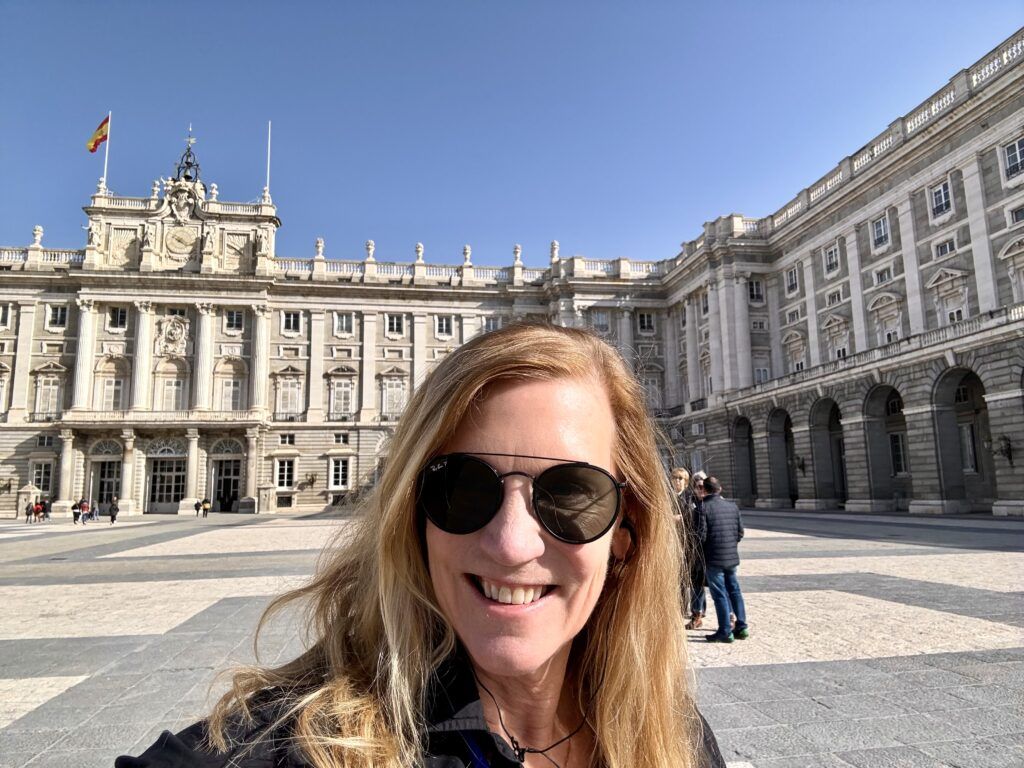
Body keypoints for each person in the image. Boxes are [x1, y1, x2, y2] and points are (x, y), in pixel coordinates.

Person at [116, 323, 725, 768]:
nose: (513, 544)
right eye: (461, 488)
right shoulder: (286, 749)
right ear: (413, 514)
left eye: (571, 493)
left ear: (626, 532)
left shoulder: (674, 738)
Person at [700, 476, 749, 643]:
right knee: (735, 591)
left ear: (704, 490)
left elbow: (701, 536)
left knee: (720, 594)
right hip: (731, 558)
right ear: (719, 489)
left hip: (713, 558)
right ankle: (742, 627)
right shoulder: (732, 506)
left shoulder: (702, 507)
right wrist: (730, 546)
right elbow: (740, 532)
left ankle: (725, 631)